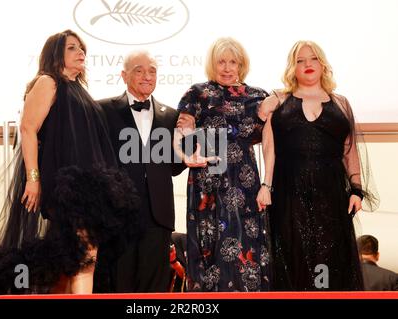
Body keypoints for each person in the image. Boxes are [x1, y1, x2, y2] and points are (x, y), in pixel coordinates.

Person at [0, 30, 138, 295]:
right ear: (55, 53)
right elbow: (28, 129)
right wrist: (33, 179)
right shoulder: (48, 82)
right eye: (72, 47)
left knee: (75, 258)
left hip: (87, 187)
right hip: (68, 187)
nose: (81, 52)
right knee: (85, 256)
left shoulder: (78, 89)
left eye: (82, 48)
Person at [258, 40, 379, 291]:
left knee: (329, 260)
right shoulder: (279, 100)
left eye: (312, 58)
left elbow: (349, 149)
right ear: (293, 67)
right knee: (293, 257)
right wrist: (265, 186)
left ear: (322, 63)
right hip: (289, 194)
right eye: (300, 60)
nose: (307, 64)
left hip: (331, 195)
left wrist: (356, 189)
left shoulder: (341, 102)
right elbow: (269, 149)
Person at [175, 37, 271, 292]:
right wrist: (186, 150)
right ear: (212, 64)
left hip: (245, 181)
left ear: (242, 64)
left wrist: (268, 185)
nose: (227, 68)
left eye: (233, 62)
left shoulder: (259, 97)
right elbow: (182, 129)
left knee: (246, 246)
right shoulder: (198, 94)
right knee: (209, 247)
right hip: (209, 179)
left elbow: (272, 142)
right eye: (221, 61)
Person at [98, 50, 185, 292]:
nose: (147, 76)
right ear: (124, 75)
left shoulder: (171, 115)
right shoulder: (102, 110)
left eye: (152, 71)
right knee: (119, 284)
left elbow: (175, 167)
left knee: (155, 287)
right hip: (118, 214)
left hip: (158, 215)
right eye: (139, 70)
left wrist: (188, 142)